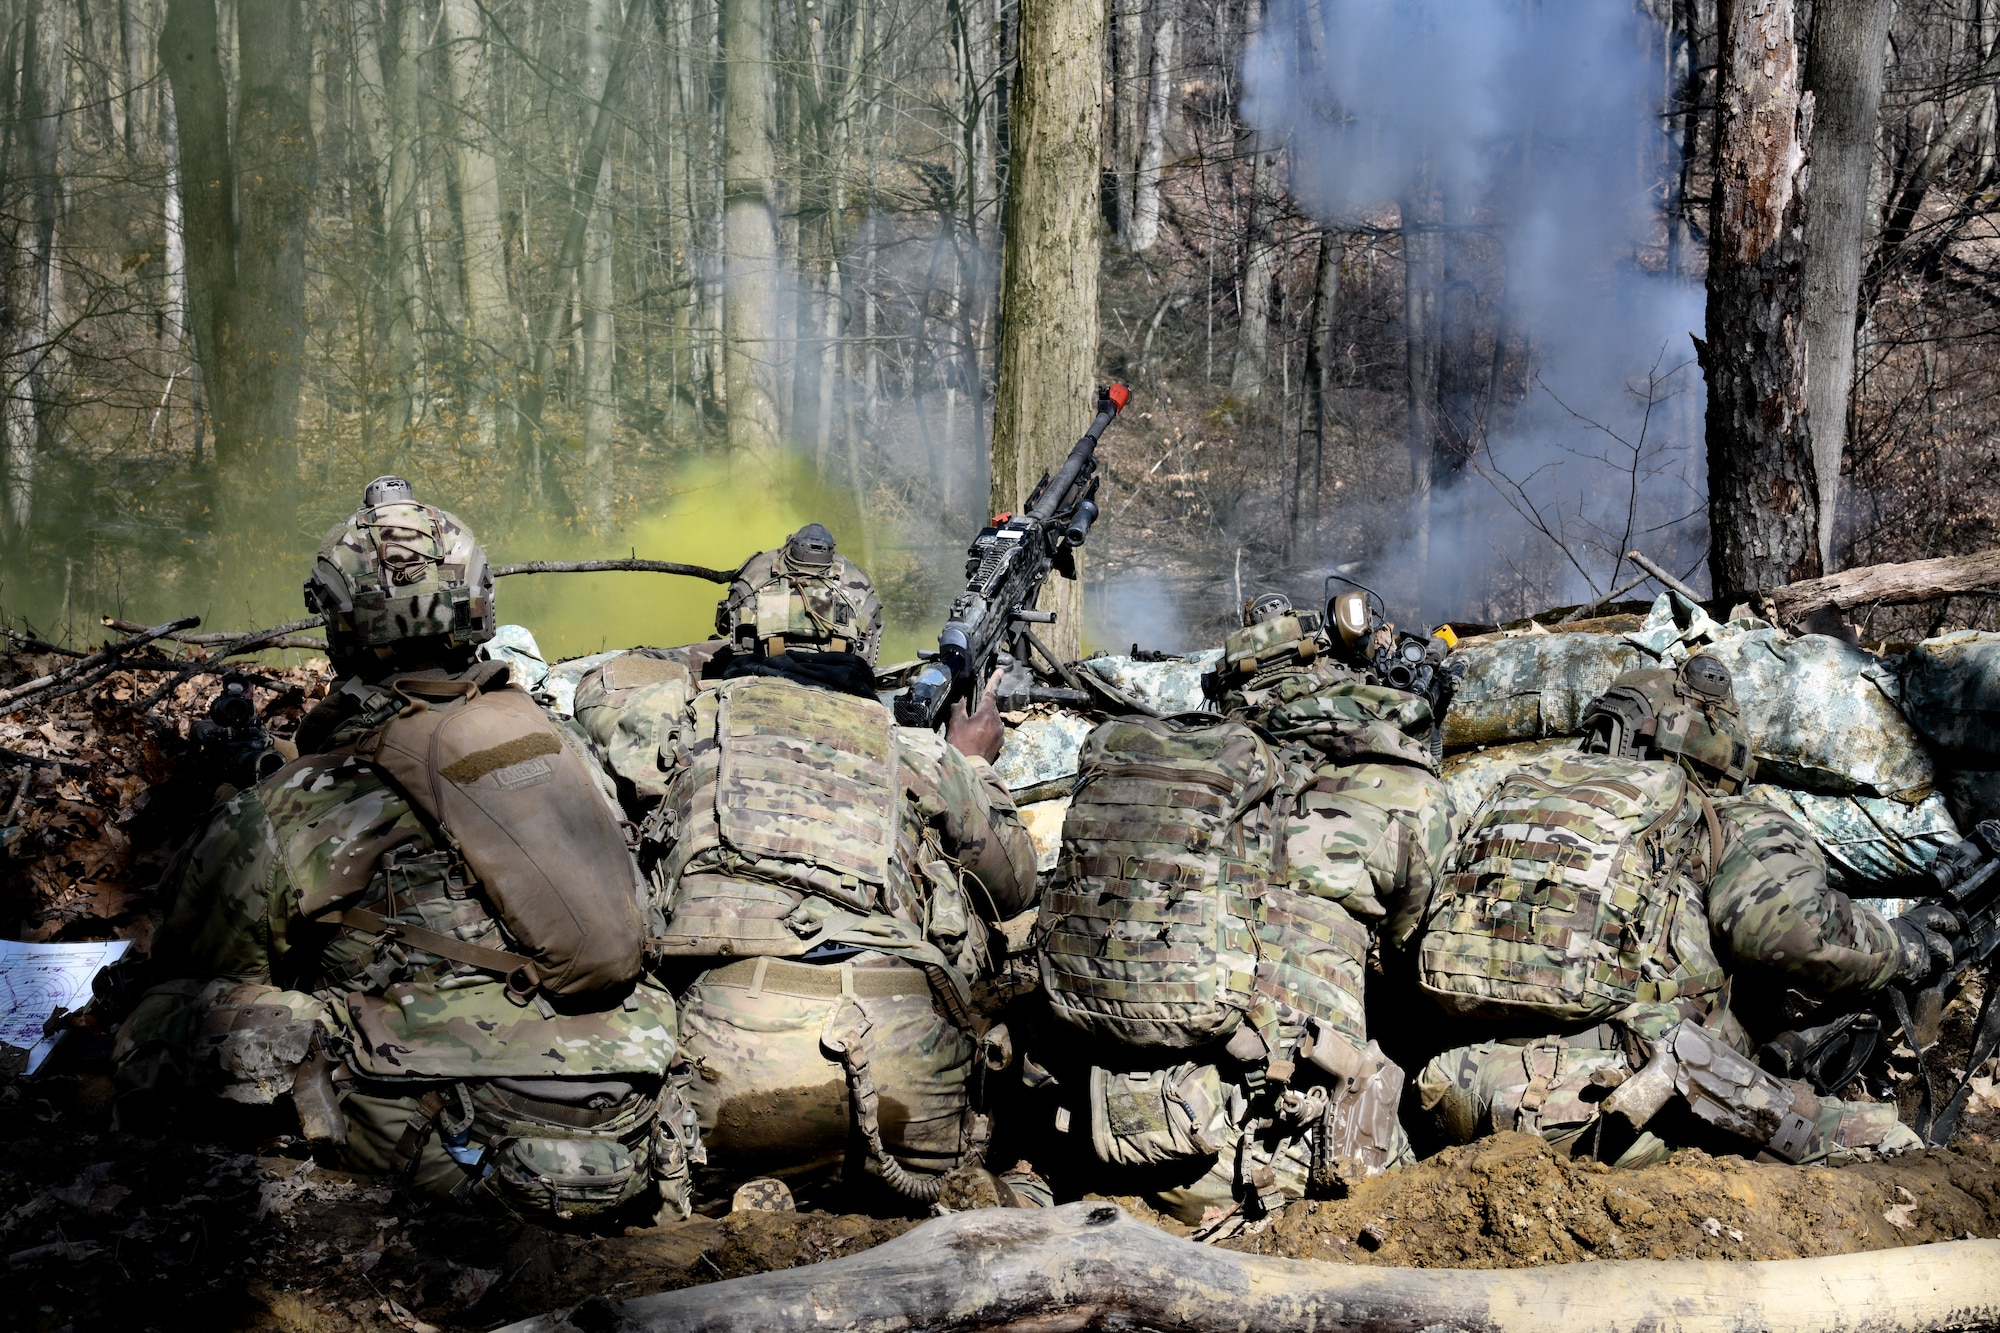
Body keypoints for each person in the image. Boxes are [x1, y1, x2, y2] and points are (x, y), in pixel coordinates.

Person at [113, 479, 699, 1223]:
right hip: (632, 1120)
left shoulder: (305, 797)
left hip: (462, 1142)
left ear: (336, 622)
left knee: (162, 1019)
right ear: (478, 608)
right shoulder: (569, 746)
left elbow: (205, 966)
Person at [573, 523, 1038, 1203]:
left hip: (730, 1074)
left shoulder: (689, 719)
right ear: (866, 639)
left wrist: (723, 659)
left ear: (740, 624)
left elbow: (600, 688)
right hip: (907, 1077)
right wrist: (970, 760)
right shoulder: (911, 751)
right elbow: (1017, 881)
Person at [1014, 592, 1453, 1222]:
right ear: (1350, 680)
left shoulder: (1173, 783)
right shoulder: (1407, 793)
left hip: (1091, 1125)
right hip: (1272, 1162)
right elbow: (1414, 971)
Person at [1408, 653, 1928, 1167]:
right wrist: (1905, 947)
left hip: (1449, 1090)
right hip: (1613, 1108)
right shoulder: (1721, 818)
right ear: (1722, 750)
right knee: (1885, 1143)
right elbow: (1800, 935)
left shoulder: (1516, 801)